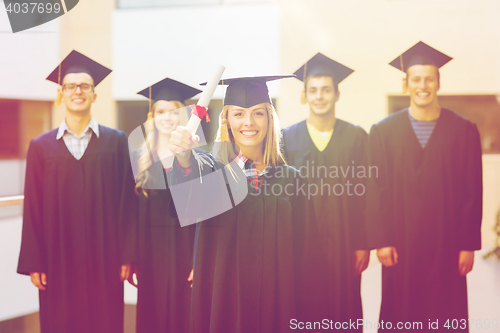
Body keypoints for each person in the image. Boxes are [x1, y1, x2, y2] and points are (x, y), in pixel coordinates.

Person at [168, 75, 327, 333]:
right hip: (226, 309)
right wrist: (184, 157)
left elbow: (309, 259)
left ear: (269, 119)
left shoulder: (293, 180)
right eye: (239, 114)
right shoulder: (212, 172)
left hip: (281, 308)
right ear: (226, 120)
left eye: (258, 114)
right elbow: (189, 176)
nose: (249, 123)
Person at [366, 41, 483, 332]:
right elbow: (376, 189)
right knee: (402, 316)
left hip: (448, 243)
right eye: (416, 79)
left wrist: (468, 245)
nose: (423, 85)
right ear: (406, 84)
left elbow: (472, 191)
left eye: (429, 79)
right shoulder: (383, 131)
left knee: (445, 315)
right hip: (400, 244)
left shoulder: (464, 130)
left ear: (439, 82)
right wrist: (381, 239)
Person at [17, 50, 135, 333]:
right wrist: (36, 262)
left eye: (85, 86)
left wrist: (127, 255)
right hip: (57, 259)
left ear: (94, 94)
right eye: (71, 86)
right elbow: (32, 206)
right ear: (62, 93)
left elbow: (127, 202)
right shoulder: (41, 147)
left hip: (105, 257)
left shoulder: (116, 141)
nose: (77, 91)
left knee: (104, 322)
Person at [282, 53, 369, 331]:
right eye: (313, 90)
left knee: (344, 311)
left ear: (337, 94)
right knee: (304, 309)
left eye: (326, 90)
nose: (319, 96)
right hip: (300, 244)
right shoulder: (287, 138)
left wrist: (363, 243)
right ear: (304, 95)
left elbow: (366, 195)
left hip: (345, 242)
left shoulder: (356, 136)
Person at [131, 77, 201, 333]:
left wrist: (199, 258)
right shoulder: (139, 159)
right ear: (152, 117)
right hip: (150, 253)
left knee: (187, 315)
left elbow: (204, 214)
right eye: (161, 112)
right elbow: (129, 213)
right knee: (154, 316)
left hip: (185, 250)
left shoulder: (198, 158)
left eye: (173, 111)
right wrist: (132, 256)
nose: (167, 117)